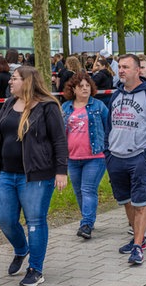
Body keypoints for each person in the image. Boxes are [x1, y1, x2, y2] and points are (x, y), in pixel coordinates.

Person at [0, 66, 68, 286]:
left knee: (35, 221)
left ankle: (35, 269)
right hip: (6, 173)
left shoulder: (47, 107)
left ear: (28, 81)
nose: (10, 82)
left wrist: (61, 171)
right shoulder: (8, 104)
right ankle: (21, 249)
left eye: (15, 79)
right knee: (4, 218)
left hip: (36, 176)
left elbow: (59, 140)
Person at [105, 54, 146, 265]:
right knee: (126, 201)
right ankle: (135, 237)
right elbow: (108, 126)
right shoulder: (115, 95)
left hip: (138, 157)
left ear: (138, 70)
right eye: (119, 67)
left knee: (140, 203)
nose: (121, 70)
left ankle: (138, 246)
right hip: (116, 157)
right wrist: (108, 153)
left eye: (126, 67)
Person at [62, 73, 109, 240]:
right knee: (79, 192)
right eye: (80, 86)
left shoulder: (99, 106)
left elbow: (108, 126)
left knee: (88, 189)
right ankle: (87, 220)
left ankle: (86, 224)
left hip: (95, 157)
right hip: (72, 158)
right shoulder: (66, 107)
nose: (84, 88)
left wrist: (107, 148)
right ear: (73, 89)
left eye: (87, 86)